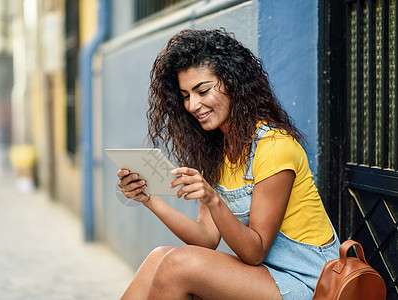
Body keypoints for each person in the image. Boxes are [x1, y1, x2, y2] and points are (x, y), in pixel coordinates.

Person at [116, 28, 340, 300]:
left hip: (310, 281)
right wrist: (149, 198)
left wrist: (213, 199)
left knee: (177, 264)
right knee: (159, 258)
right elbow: (206, 239)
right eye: (186, 95)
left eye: (203, 90)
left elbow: (255, 252)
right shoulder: (217, 151)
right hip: (266, 276)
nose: (193, 105)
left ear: (233, 83)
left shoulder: (274, 146)